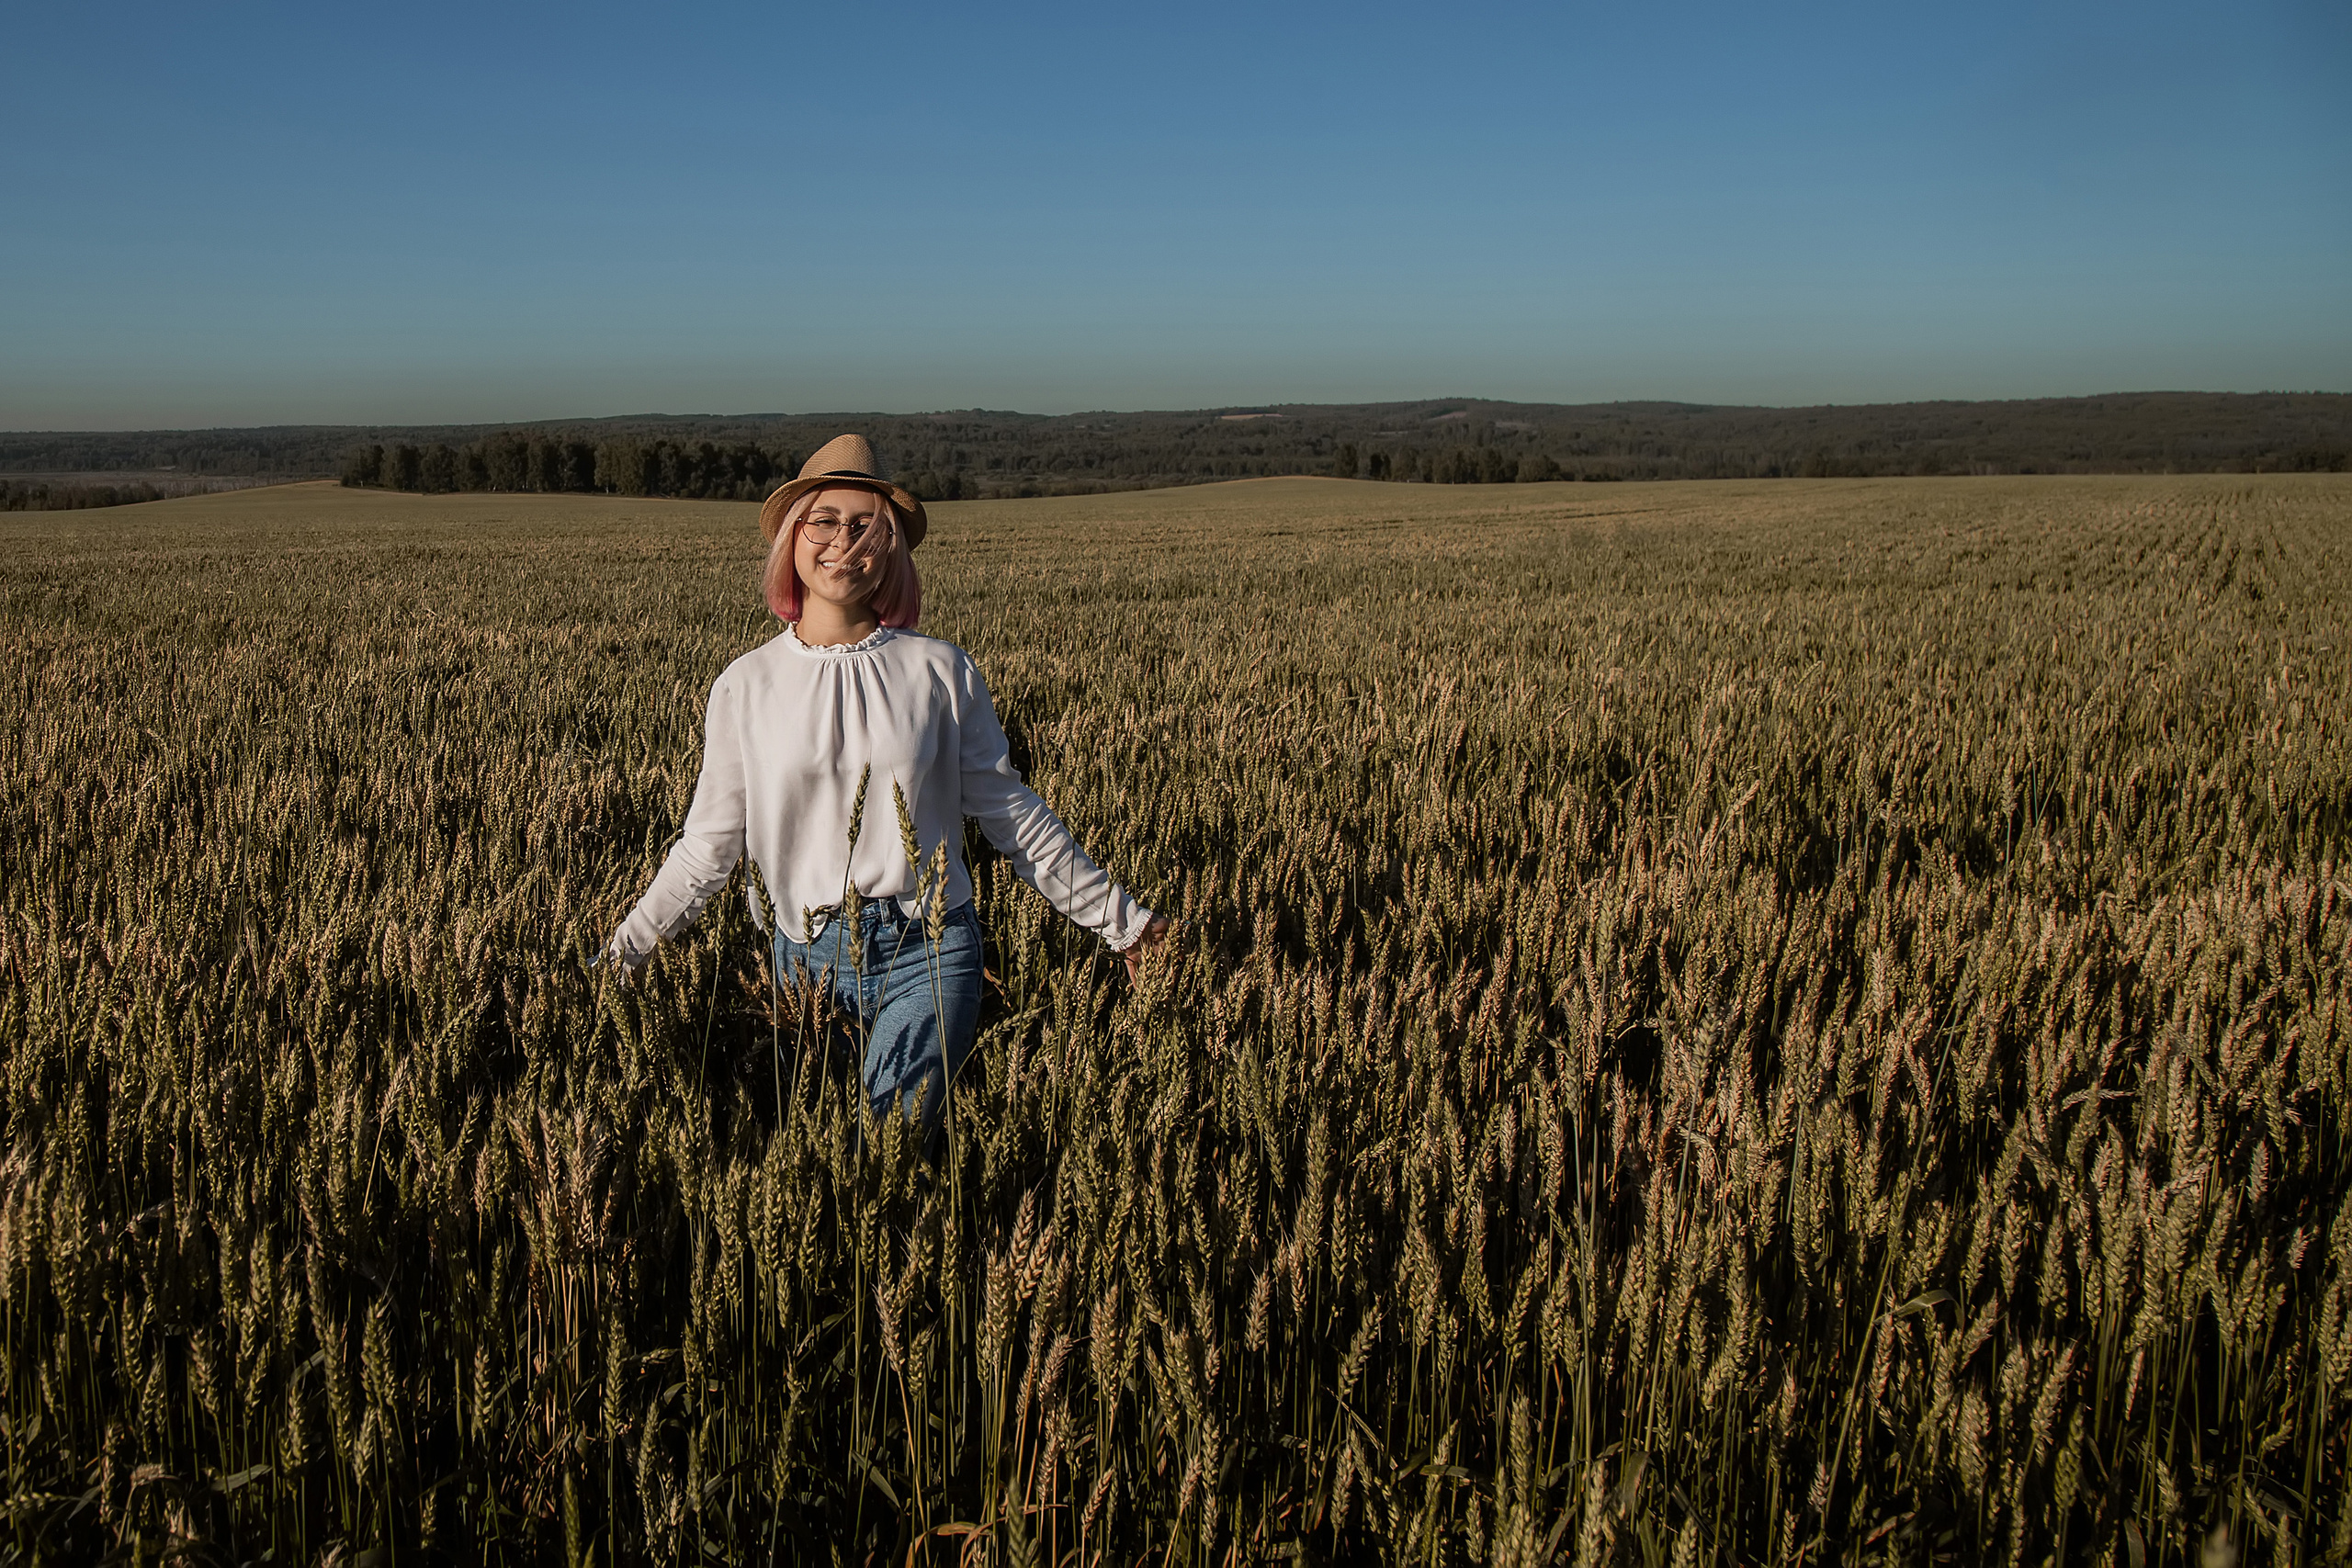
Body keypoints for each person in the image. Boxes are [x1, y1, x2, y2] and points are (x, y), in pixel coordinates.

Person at [601, 434, 1169, 1139]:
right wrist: (619, 957)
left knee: (890, 1146)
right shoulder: (743, 686)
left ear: (891, 545)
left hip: (928, 952)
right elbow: (706, 852)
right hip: (800, 963)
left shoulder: (941, 671)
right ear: (793, 537)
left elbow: (1012, 816)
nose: (845, 539)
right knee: (820, 1169)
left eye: (867, 523)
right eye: (825, 520)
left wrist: (1126, 924)